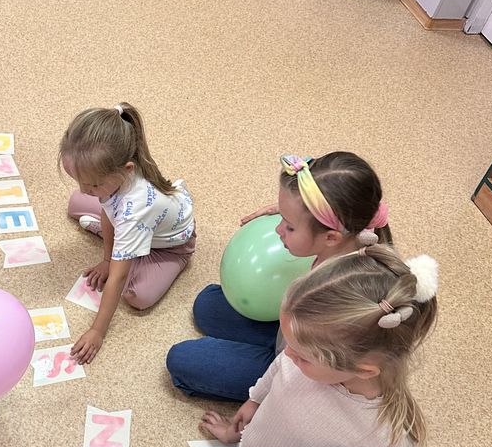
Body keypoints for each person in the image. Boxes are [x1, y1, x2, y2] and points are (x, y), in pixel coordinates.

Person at [201, 245, 438, 447]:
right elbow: (278, 367)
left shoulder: (384, 429)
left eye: (302, 355)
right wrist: (255, 399)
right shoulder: (301, 356)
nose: (288, 354)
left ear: (363, 370)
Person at [167, 152, 392, 402]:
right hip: (291, 333)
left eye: (289, 226)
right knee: (207, 305)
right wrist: (292, 213)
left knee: (181, 360)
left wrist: (257, 400)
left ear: (330, 236)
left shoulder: (334, 297)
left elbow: (306, 367)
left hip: (298, 366)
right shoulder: (348, 239)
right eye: (281, 218)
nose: (277, 229)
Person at [61, 103, 196, 364]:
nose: (85, 189)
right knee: (75, 203)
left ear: (127, 170)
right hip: (136, 217)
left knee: (137, 296)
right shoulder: (114, 180)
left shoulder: (134, 210)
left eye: (93, 184)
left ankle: (142, 250)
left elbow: (118, 276)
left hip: (172, 245)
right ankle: (127, 245)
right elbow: (107, 209)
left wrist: (97, 331)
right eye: (79, 181)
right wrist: (107, 258)